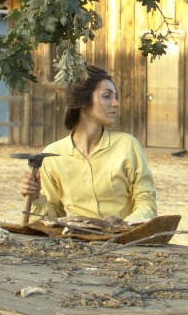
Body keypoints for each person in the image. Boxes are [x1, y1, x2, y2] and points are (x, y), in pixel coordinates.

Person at [19, 64, 157, 224]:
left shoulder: (128, 146)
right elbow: (52, 217)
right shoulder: (53, 155)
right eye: (107, 96)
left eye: (116, 97)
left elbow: (146, 203)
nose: (115, 103)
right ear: (83, 101)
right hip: (75, 237)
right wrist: (36, 198)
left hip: (124, 237)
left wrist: (125, 228)